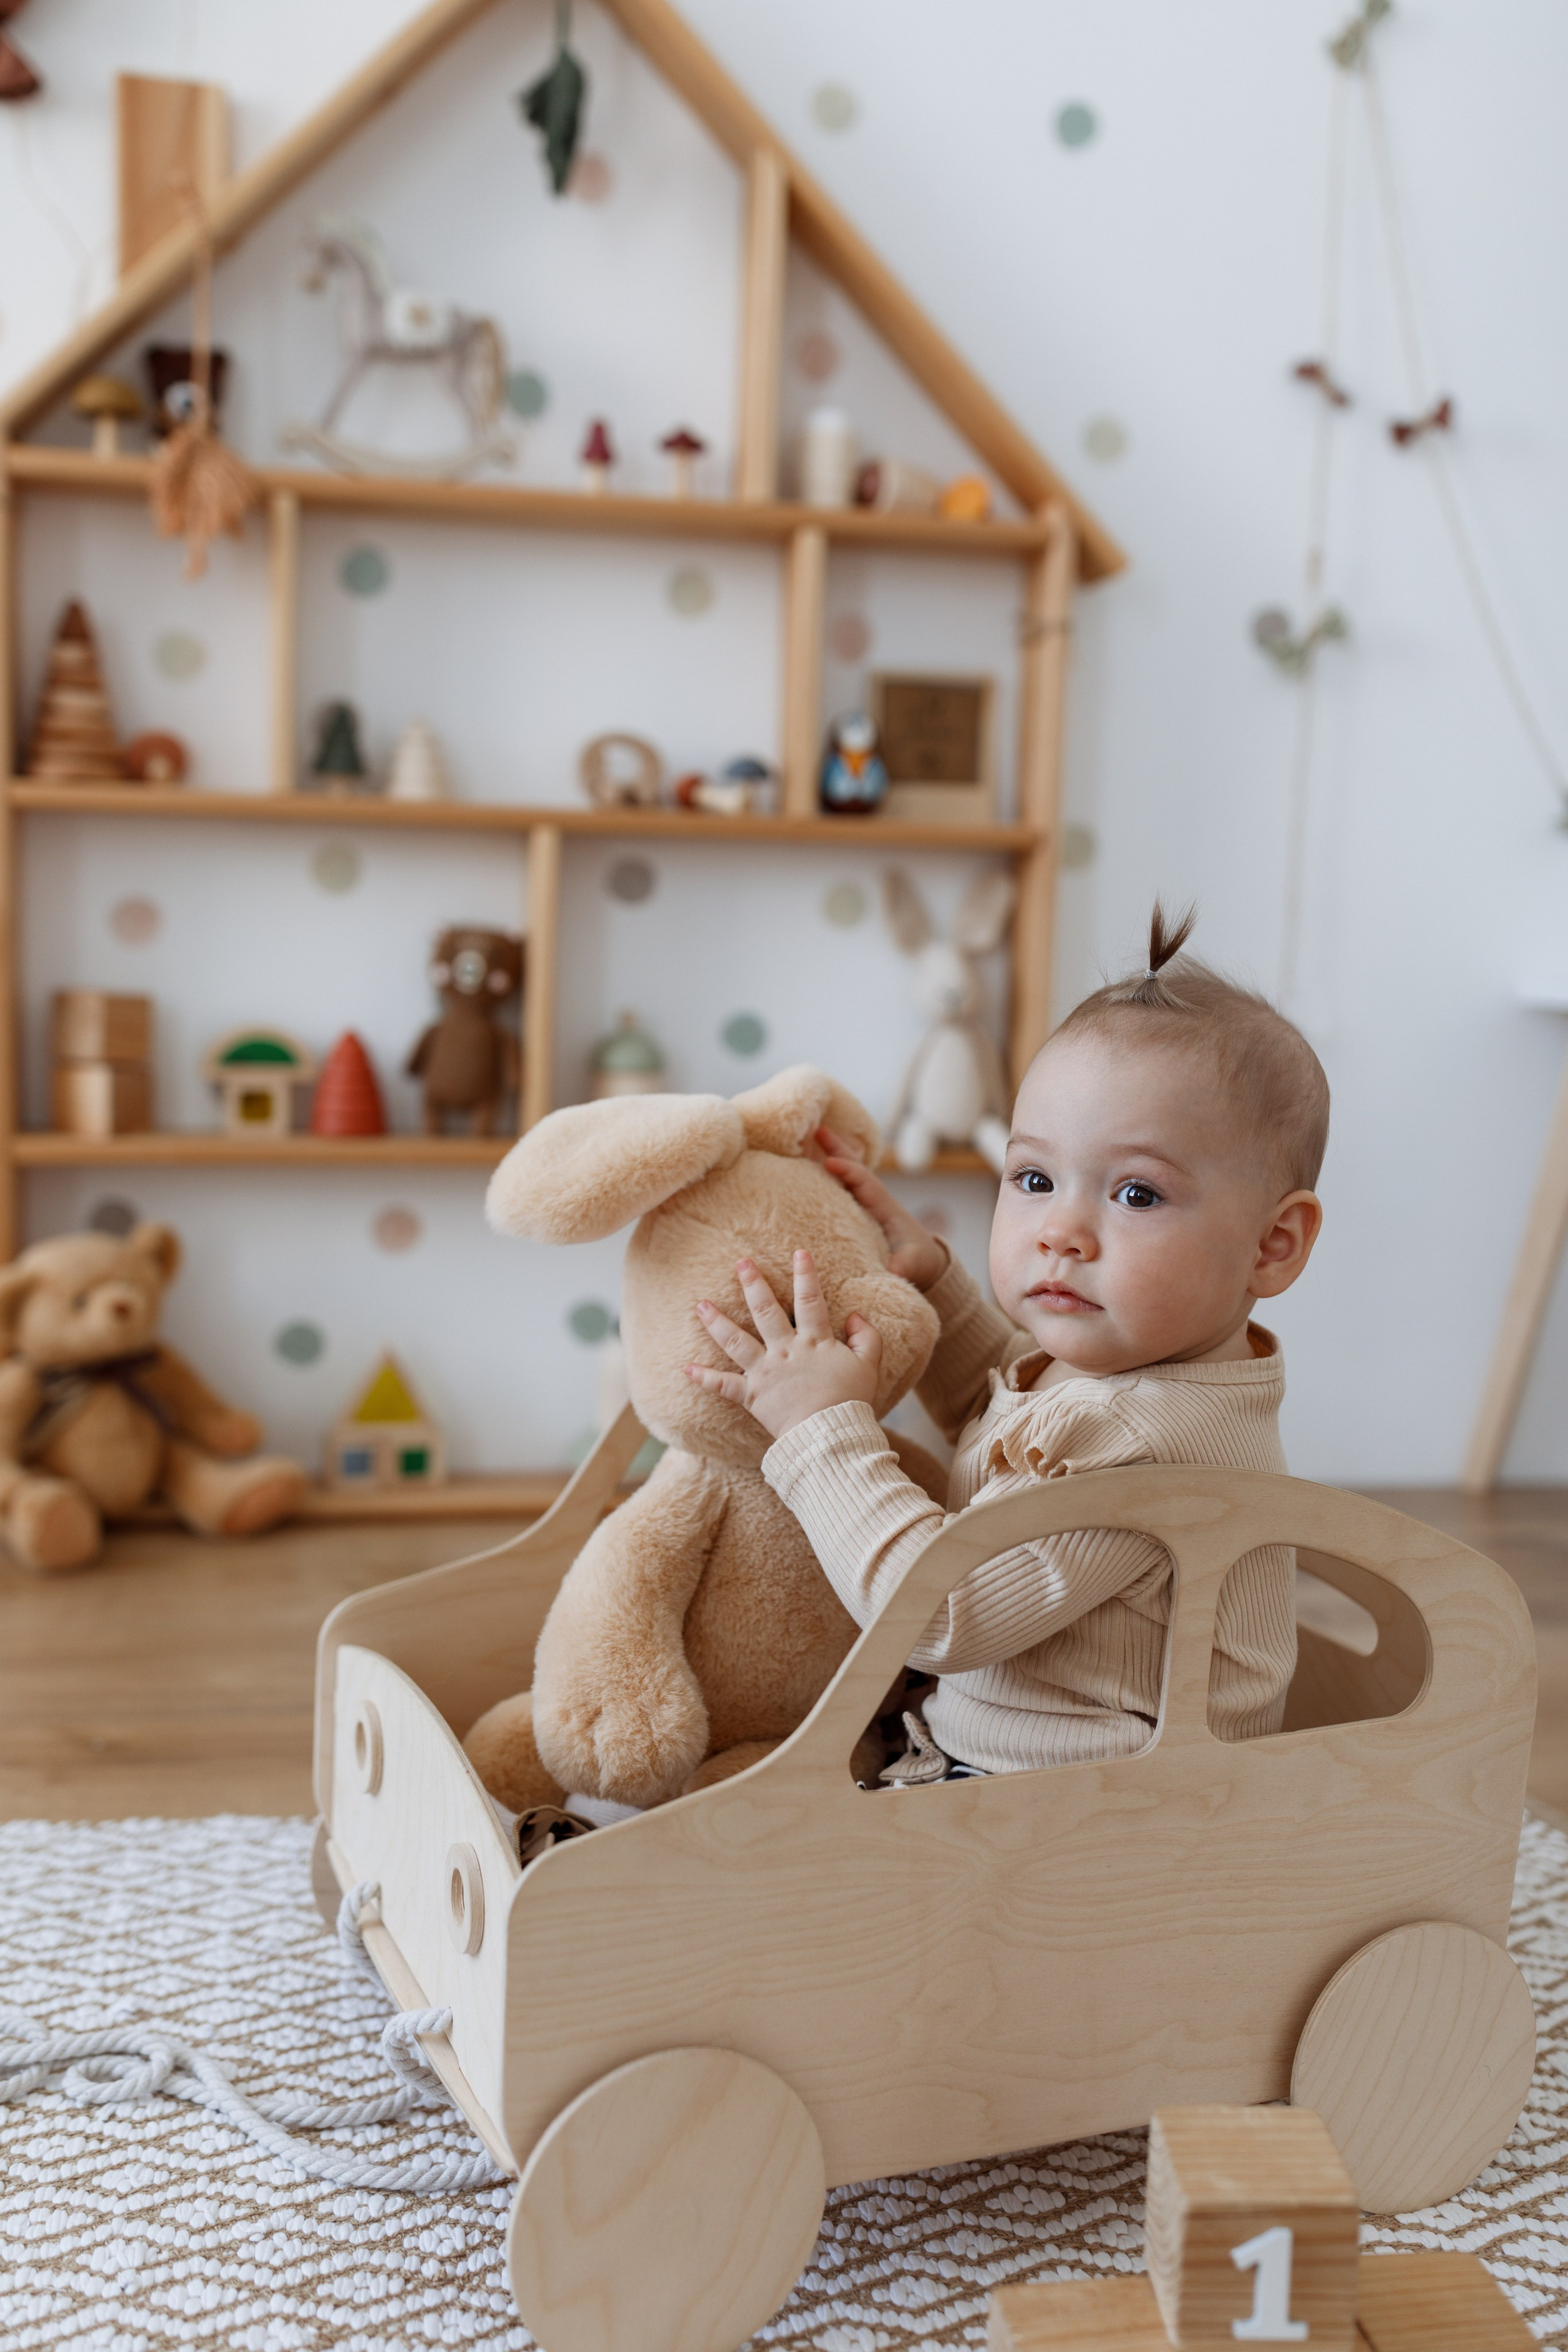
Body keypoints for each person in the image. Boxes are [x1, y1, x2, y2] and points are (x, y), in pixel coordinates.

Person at [685, 903, 1329, 1776]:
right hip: (1003, 1764)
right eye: (1033, 1177)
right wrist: (937, 1286)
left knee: (793, 1868)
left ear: (1272, 1245)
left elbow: (941, 1615)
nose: (1060, 1229)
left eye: (1136, 1195)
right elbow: (1014, 1428)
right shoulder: (1151, 1381)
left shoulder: (1143, 1447)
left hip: (1083, 1816)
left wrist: (821, 1433)